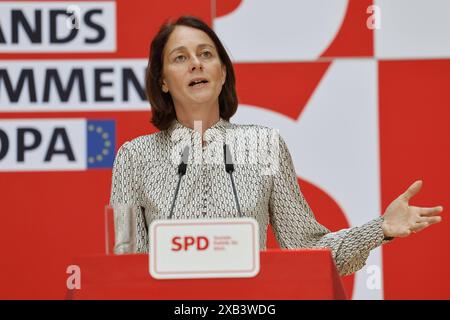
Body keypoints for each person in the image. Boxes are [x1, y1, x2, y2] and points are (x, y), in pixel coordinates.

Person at [109, 16, 443, 275]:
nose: (196, 63)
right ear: (163, 81)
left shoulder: (263, 145)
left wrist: (379, 228)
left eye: (206, 54)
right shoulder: (134, 156)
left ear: (222, 72)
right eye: (180, 57)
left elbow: (307, 249)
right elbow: (123, 263)